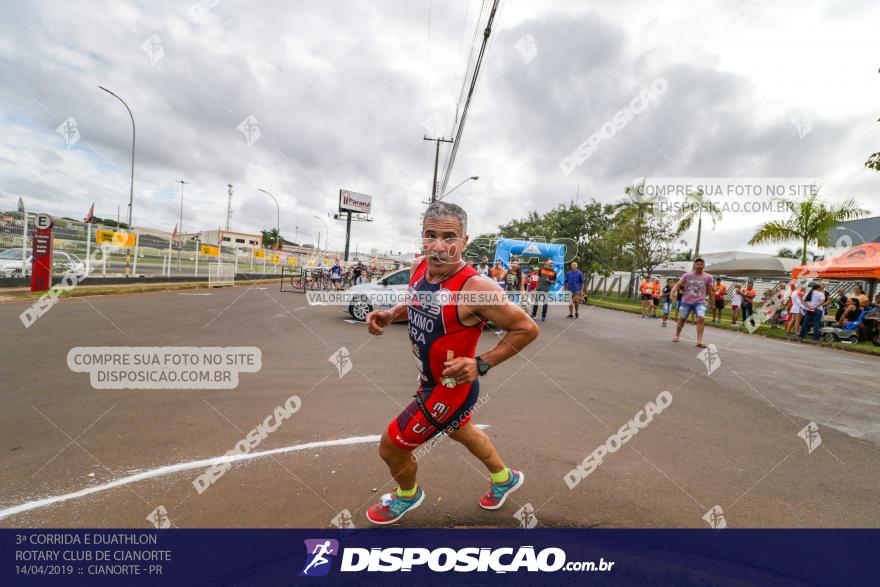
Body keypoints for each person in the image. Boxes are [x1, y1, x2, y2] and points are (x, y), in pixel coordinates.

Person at [364, 201, 539, 524]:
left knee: (391, 446)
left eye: (449, 237)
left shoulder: (476, 288)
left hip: (450, 388)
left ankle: (408, 495)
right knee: (463, 432)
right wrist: (391, 314)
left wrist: (481, 363)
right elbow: (416, 299)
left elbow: (526, 328)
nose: (439, 246)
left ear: (464, 241)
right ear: (422, 238)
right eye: (430, 236)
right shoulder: (420, 268)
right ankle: (504, 479)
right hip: (428, 379)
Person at [670, 258, 714, 347]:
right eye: (697, 264)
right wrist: (672, 292)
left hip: (700, 302)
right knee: (682, 318)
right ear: (694, 265)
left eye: (701, 264)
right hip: (686, 301)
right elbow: (678, 284)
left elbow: (710, 291)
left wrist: (713, 303)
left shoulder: (708, 277)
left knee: (701, 318)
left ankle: (699, 341)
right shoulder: (687, 275)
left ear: (704, 266)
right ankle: (677, 335)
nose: (699, 265)